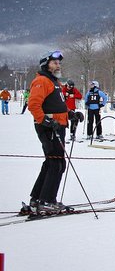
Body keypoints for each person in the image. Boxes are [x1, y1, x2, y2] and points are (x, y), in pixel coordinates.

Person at [26, 50, 72, 214]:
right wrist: (44, 120)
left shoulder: (55, 82)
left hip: (58, 126)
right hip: (48, 128)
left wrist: (70, 113)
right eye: (54, 63)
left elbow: (57, 104)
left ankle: (37, 198)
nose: (58, 65)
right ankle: (46, 200)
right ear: (46, 65)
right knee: (56, 164)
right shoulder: (42, 81)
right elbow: (33, 104)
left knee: (53, 163)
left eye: (59, 63)